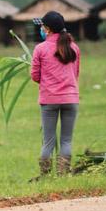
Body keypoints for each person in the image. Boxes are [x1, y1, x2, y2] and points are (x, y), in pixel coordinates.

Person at [29, 11, 80, 179]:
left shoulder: (40, 49)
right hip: (71, 98)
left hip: (49, 99)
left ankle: (44, 175)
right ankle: (63, 174)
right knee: (66, 140)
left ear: (48, 29)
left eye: (43, 26)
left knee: (48, 141)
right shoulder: (74, 47)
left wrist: (48, 81)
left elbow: (35, 76)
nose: (41, 29)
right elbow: (75, 73)